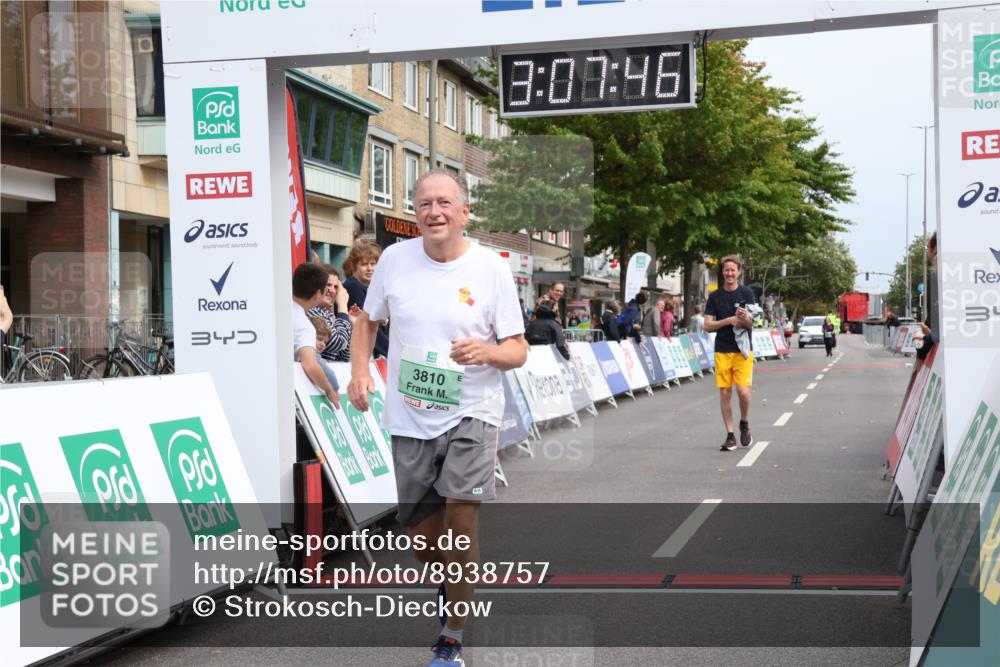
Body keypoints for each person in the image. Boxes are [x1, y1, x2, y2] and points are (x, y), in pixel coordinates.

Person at [347, 170, 528, 667]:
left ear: (464, 212)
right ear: (416, 213)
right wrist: (360, 372)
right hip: (410, 417)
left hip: (472, 411)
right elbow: (367, 322)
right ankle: (455, 587)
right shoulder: (393, 260)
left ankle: (451, 637)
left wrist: (487, 352)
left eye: (445, 203)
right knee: (426, 544)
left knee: (459, 525)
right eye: (425, 204)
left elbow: (518, 351)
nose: (434, 212)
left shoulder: (490, 268)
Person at [704, 255, 756, 452]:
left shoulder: (747, 293)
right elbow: (708, 326)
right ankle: (730, 435)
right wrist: (729, 320)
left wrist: (745, 319)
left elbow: (753, 323)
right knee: (725, 392)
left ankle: (744, 422)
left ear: (739, 272)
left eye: (733, 270)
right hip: (722, 350)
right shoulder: (715, 297)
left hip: (743, 351)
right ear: (723, 272)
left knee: (743, 391)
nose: (729, 273)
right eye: (726, 270)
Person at [292, 263, 340, 409]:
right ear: (318, 293)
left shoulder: (274, 307)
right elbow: (311, 365)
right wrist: (330, 390)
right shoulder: (304, 325)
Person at [343, 240, 390, 359]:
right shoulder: (353, 286)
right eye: (364, 264)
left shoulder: (367, 287)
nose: (369, 268)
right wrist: (390, 351)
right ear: (354, 266)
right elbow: (368, 325)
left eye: (373, 263)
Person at [307, 265, 355, 362]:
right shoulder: (311, 311)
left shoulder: (327, 313)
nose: (332, 290)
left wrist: (352, 324)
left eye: (336, 287)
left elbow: (344, 356)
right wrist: (342, 306)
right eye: (328, 285)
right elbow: (339, 343)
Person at [914, 233, 938, 366]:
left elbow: (939, 332)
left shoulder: (936, 278)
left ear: (934, 249)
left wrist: (923, 343)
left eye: (927, 248)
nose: (927, 253)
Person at [308, 315, 341, 391]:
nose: (323, 344)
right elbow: (328, 373)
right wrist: (335, 389)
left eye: (325, 342)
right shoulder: (313, 356)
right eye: (319, 339)